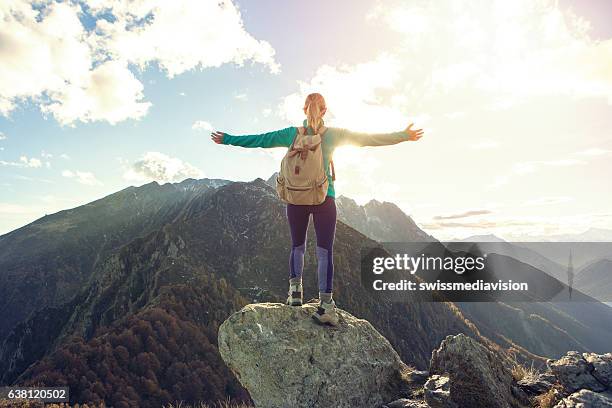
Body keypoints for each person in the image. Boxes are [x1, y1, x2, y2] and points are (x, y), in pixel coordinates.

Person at [211, 93, 424, 325]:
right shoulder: (332, 135)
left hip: (296, 198)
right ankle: (326, 307)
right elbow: (368, 139)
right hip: (324, 198)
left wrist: (228, 138)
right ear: (324, 111)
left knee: (297, 246)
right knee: (325, 252)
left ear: (304, 110)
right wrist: (403, 136)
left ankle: (294, 294)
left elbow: (259, 139)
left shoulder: (291, 134)